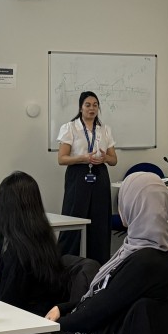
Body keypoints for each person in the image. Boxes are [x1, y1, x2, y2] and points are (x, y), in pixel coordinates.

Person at [46, 172, 168, 334]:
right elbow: (106, 297)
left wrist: (55, 327)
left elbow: (99, 310)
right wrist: (64, 308)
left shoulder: (144, 261)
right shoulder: (149, 250)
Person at [0, 171, 70, 317]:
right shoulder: (43, 240)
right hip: (38, 319)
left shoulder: (18, 253)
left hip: (25, 325)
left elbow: (8, 304)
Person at [56, 91, 118, 263]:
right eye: (88, 105)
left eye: (95, 105)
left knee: (99, 222)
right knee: (74, 219)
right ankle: (66, 263)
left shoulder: (104, 130)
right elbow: (62, 159)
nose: (92, 109)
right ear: (81, 107)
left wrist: (105, 158)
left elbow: (114, 160)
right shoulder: (70, 127)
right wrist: (83, 158)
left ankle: (98, 265)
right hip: (78, 174)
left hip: (99, 174)